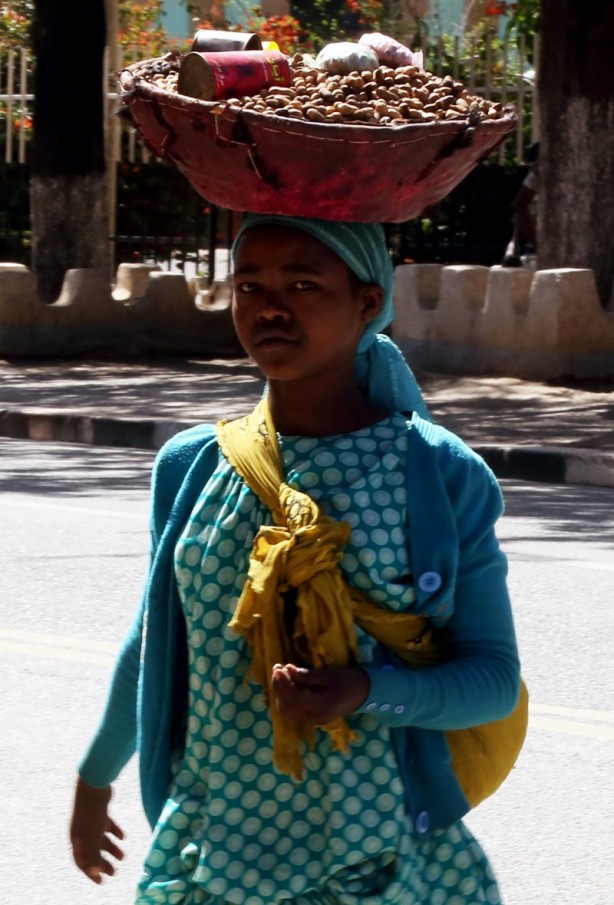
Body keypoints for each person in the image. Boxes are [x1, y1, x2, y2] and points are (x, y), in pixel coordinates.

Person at [70, 214, 522, 905]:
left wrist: (366, 689)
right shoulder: (192, 466)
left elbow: (490, 680)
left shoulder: (437, 474)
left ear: (368, 303)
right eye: (250, 285)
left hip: (377, 863)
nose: (270, 307)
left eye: (304, 283)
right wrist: (95, 776)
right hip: (214, 855)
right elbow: (157, 640)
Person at [501, 142, 539, 267]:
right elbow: (519, 204)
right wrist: (535, 241)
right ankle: (513, 253)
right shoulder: (534, 177)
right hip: (532, 216)